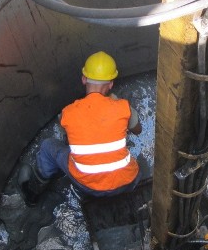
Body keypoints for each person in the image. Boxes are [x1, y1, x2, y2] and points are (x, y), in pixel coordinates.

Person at [18, 51, 142, 206]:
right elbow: (138, 130)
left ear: (84, 79)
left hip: (88, 186)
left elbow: (69, 139)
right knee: (127, 163)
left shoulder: (68, 113)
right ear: (111, 84)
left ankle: (34, 191)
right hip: (129, 182)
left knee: (48, 146)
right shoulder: (124, 108)